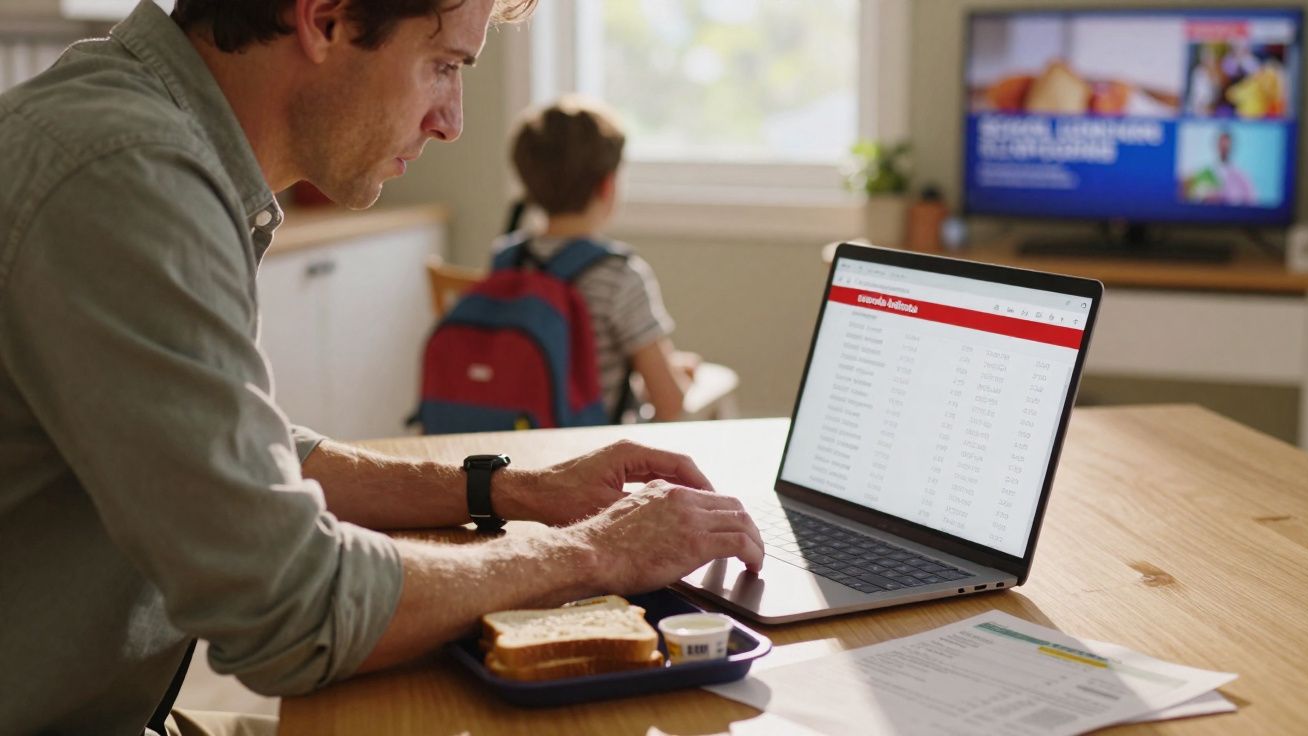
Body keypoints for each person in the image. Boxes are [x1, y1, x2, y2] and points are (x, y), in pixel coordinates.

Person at [0, 2, 764, 735]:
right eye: (442, 64)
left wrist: (506, 488)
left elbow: (235, 456)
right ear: (326, 19)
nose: (453, 120)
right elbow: (295, 610)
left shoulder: (144, 140)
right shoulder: (127, 175)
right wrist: (598, 552)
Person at [501, 96, 701, 421]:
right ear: (607, 185)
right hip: (590, 457)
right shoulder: (619, 275)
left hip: (509, 452)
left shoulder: (506, 259)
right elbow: (669, 403)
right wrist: (680, 377)